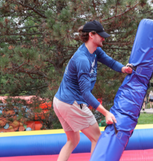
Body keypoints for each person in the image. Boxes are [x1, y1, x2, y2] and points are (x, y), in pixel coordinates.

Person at [53, 20, 133, 161]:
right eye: (101, 35)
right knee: (97, 138)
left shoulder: (95, 51)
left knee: (73, 140)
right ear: (91, 35)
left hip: (60, 102)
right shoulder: (82, 59)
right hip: (71, 102)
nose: (103, 38)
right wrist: (106, 113)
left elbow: (111, 62)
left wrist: (123, 69)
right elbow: (85, 93)